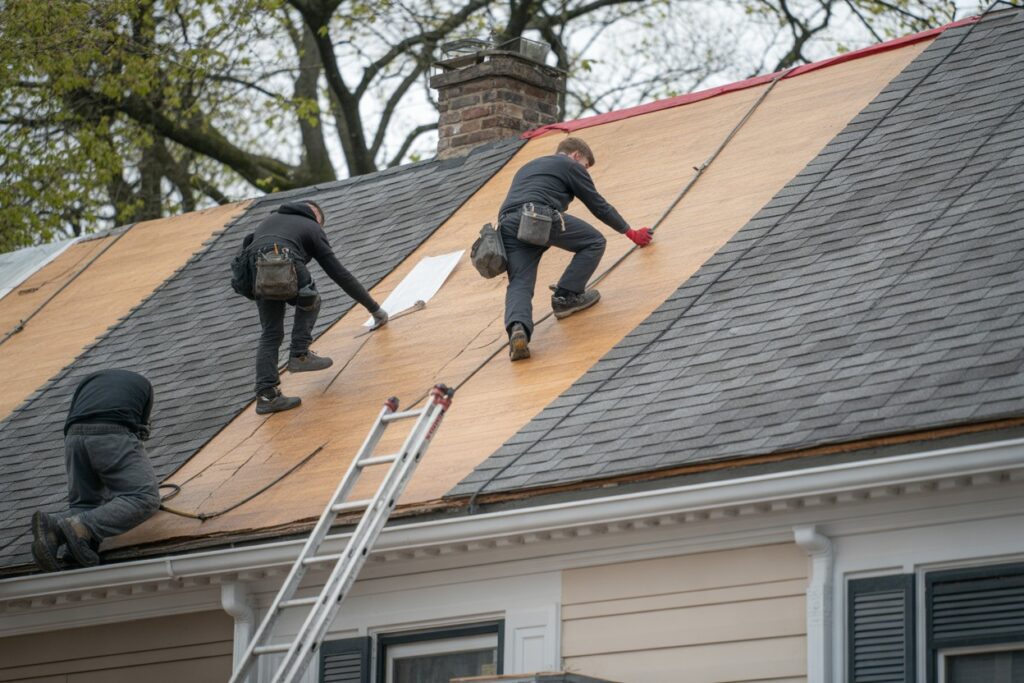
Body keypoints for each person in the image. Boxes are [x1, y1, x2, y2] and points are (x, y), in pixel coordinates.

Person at [497, 137, 652, 361]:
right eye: (586, 166)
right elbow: (598, 205)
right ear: (576, 155)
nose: (585, 171)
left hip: (508, 224)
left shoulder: (529, 167)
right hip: (536, 215)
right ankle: (566, 297)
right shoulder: (569, 165)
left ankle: (518, 329)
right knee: (594, 241)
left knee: (520, 282)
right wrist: (631, 233)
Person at [248, 200, 387, 413]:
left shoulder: (270, 221)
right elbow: (339, 274)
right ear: (315, 215)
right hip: (284, 256)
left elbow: (247, 247)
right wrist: (375, 309)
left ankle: (267, 396)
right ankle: (299, 354)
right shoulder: (311, 226)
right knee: (310, 298)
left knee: (271, 333)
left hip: (254, 268)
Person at [31, 369, 160, 571]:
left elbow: (75, 414)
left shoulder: (88, 380)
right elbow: (139, 431)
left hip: (73, 437)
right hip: (111, 433)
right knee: (143, 497)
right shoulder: (145, 386)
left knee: (85, 503)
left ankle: (55, 529)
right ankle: (80, 528)